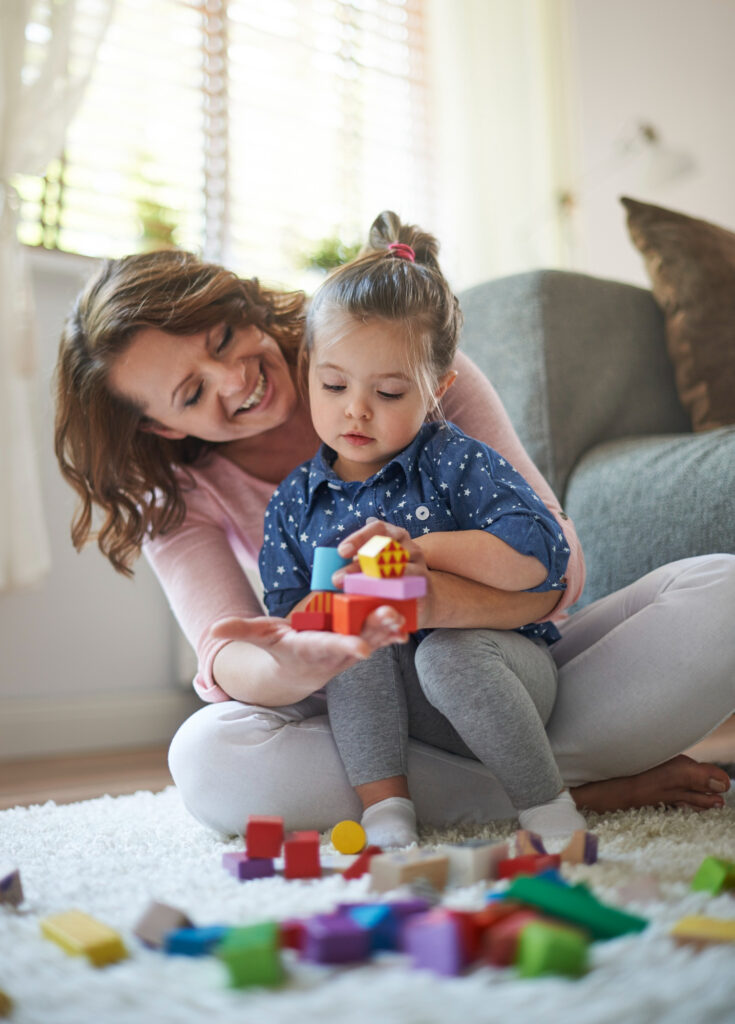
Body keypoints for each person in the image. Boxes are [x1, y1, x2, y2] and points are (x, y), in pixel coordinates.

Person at [53, 243, 734, 840]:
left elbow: (557, 569)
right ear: (164, 429)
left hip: (505, 670)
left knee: (721, 593)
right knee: (208, 757)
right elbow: (229, 654)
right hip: (370, 723)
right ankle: (557, 792)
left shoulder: (402, 362)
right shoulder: (175, 496)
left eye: (224, 336)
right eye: (192, 390)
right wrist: (301, 658)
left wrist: (426, 597)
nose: (235, 378)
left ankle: (493, 784)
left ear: (245, 307)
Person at [257, 211, 586, 848]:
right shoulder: (296, 500)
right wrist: (338, 609)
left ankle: (546, 807)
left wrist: (424, 554)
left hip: (502, 678)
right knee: (354, 640)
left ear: (438, 389)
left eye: (389, 392)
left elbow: (539, 555)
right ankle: (387, 814)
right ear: (308, 371)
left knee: (448, 649)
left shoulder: (455, 461)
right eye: (334, 384)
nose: (356, 408)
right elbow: (289, 614)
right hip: (395, 716)